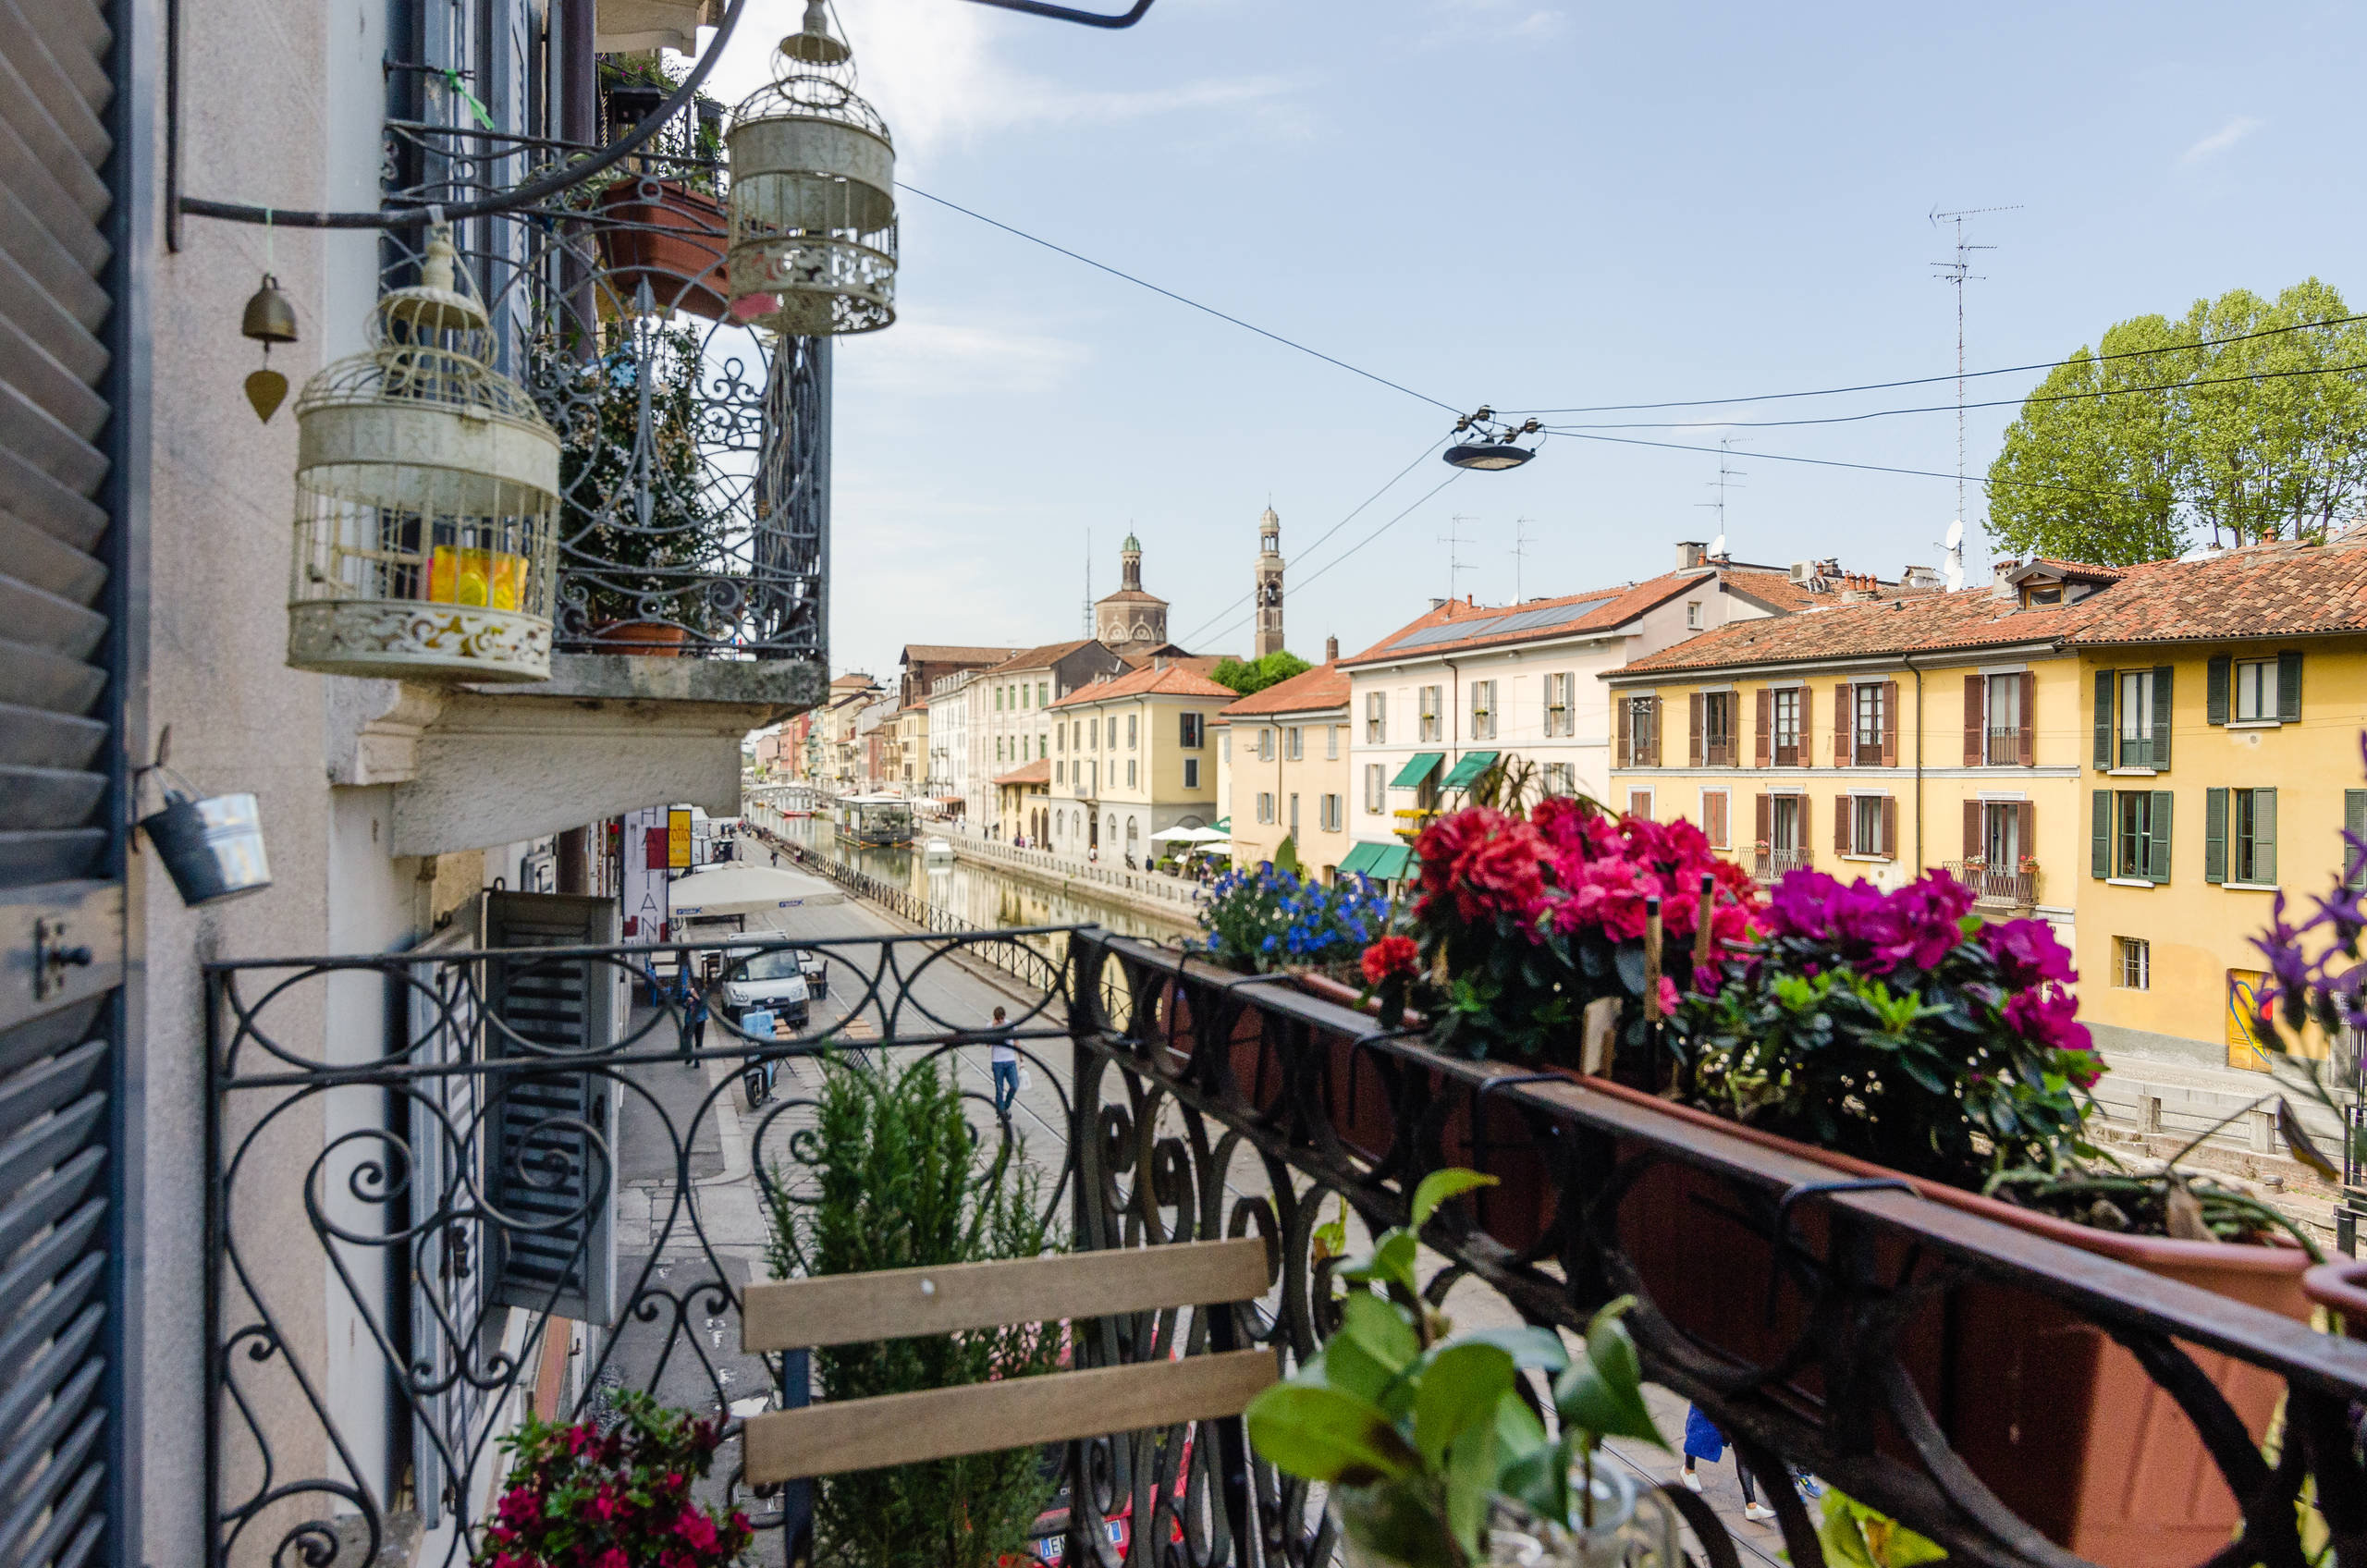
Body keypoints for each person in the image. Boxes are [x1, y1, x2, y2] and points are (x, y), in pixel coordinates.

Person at [1681, 1404, 1775, 1523]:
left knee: (1742, 1446)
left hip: (1736, 1402)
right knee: (1700, 1431)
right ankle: (1688, 1469)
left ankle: (1751, 1506)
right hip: (1713, 1396)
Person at [673, 965, 707, 1069]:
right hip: (690, 1020)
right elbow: (682, 1004)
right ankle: (689, 1056)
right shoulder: (689, 992)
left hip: (700, 1020)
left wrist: (695, 997)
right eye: (693, 984)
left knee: (699, 1041)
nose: (693, 986)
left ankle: (697, 1061)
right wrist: (687, 1002)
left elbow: (704, 1005)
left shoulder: (703, 993)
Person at [989, 1007, 1020, 1115]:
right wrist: (993, 1028)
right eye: (998, 1019)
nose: (1000, 1021)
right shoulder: (990, 1026)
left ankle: (1005, 1107)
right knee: (999, 1090)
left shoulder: (1011, 1025)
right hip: (997, 1062)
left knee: (1014, 1085)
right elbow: (988, 1045)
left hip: (1010, 1060)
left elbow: (1016, 1041)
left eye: (1002, 1018)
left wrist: (1021, 1060)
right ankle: (1001, 1115)